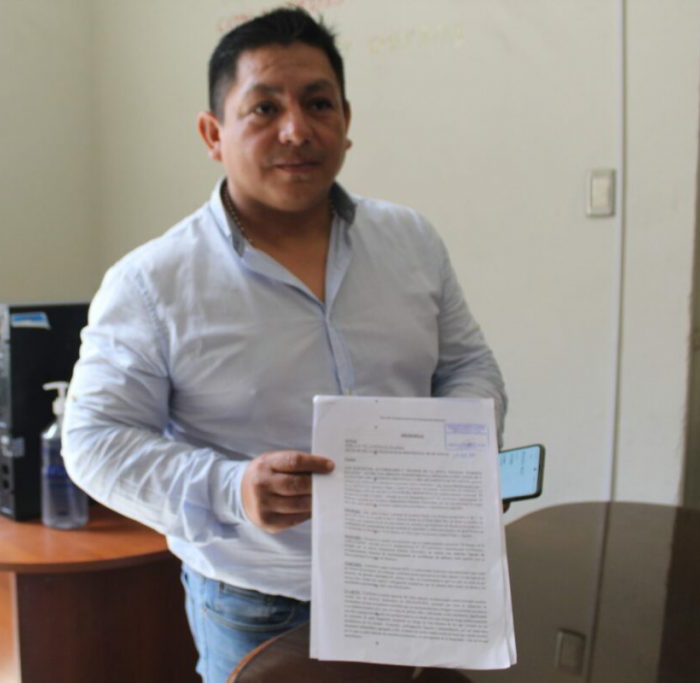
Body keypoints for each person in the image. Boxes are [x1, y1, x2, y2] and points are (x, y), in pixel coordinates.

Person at [62, 8, 506, 682]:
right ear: (213, 133)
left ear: (346, 121)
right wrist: (231, 488)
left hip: (416, 574)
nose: (297, 129)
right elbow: (93, 441)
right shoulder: (152, 282)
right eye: (264, 107)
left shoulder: (411, 241)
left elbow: (467, 364)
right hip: (261, 602)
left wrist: (461, 458)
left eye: (318, 103)